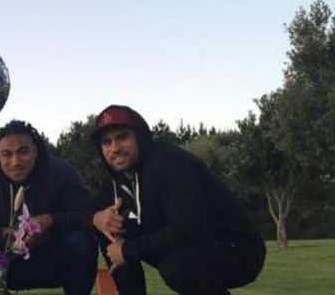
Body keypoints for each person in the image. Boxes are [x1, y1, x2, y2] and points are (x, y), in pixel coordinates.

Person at [90, 105, 266, 295]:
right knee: (109, 226)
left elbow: (188, 228)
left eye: (122, 137)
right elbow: (82, 209)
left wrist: (127, 251)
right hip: (191, 246)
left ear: (139, 137)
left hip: (237, 247)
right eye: (107, 142)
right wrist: (97, 218)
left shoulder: (168, 164)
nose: (115, 148)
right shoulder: (117, 180)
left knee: (176, 266)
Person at [0, 120, 98, 295]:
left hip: (52, 259)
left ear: (35, 150)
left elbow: (89, 214)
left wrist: (50, 221)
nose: (15, 162)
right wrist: (5, 233)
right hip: (5, 262)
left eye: (23, 151)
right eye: (6, 154)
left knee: (82, 241)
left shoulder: (62, 172)